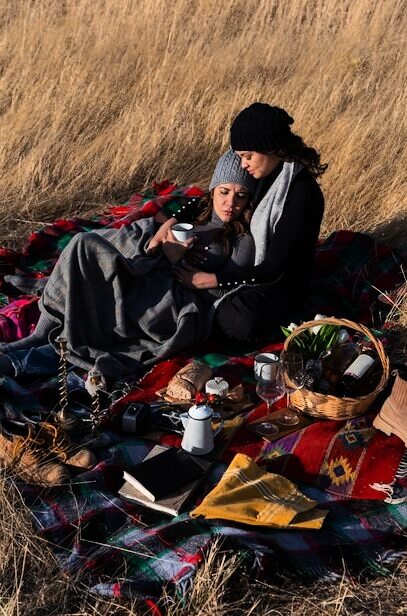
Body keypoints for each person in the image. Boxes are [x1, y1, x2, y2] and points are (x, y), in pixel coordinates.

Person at [0, 150, 256, 382]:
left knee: (114, 304)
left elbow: (237, 282)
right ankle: (42, 333)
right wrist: (162, 239)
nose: (230, 203)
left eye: (241, 195)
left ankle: (31, 358)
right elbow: (169, 221)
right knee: (83, 244)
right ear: (213, 190)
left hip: (177, 300)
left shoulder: (242, 238)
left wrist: (188, 270)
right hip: (153, 268)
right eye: (224, 192)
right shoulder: (200, 207)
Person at [175, 102, 327, 341]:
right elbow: (209, 195)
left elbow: (272, 270)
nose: (243, 164)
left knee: (241, 319)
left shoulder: (300, 194)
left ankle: (199, 311)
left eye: (247, 156)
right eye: (240, 157)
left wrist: (210, 281)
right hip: (246, 268)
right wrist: (172, 220)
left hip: (280, 284)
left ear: (269, 147)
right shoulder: (264, 170)